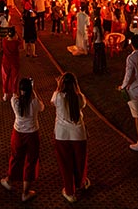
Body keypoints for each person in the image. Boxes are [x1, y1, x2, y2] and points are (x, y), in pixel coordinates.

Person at [0, 77, 43, 202]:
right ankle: (25, 193)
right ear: (31, 89)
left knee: (16, 157)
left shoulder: (15, 101)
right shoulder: (34, 103)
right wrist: (34, 91)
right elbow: (42, 107)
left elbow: (16, 94)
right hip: (32, 135)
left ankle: (9, 180)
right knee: (31, 161)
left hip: (18, 133)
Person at [51, 71, 90, 203]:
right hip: (78, 134)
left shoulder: (57, 96)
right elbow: (82, 105)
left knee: (66, 165)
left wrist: (58, 86)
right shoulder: (80, 97)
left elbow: (53, 102)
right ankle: (81, 182)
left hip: (61, 134)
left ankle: (69, 191)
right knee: (80, 162)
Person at [1, 26, 22, 101]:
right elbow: (21, 42)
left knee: (5, 78)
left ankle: (5, 94)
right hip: (14, 62)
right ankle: (14, 93)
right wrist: (17, 36)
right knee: (15, 78)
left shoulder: (4, 41)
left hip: (6, 62)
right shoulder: (16, 42)